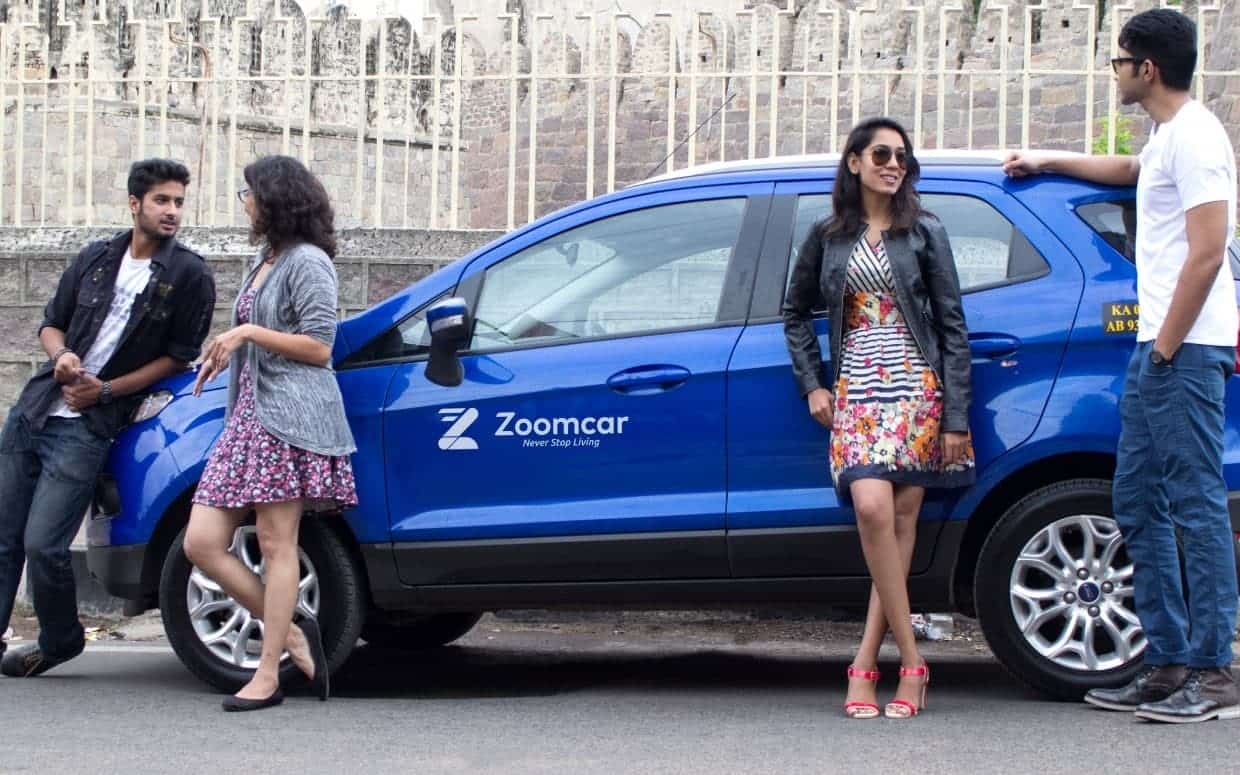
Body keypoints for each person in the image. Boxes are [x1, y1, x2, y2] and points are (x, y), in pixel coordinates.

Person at [1005, 8, 1239, 724]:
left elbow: (1209, 251)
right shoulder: (1169, 137)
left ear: (1148, 68)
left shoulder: (1199, 138)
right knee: (1138, 500)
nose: (1114, 72)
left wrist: (1165, 347)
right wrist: (1047, 160)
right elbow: (1132, 171)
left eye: (1119, 60)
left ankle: (1215, 670)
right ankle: (1166, 662)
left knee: (1196, 506)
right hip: (1160, 350)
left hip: (1184, 350)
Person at [783, 117, 975, 719]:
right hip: (858, 388)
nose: (895, 165)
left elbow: (952, 324)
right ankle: (912, 660)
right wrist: (813, 384)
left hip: (917, 386)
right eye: (882, 155)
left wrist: (956, 416)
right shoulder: (827, 235)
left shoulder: (925, 230)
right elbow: (793, 313)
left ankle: (868, 663)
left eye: (902, 157)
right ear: (854, 162)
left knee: (899, 521)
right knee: (872, 510)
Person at [0, 159, 216, 677]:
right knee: (3, 538)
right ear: (135, 203)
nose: (172, 211)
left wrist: (105, 391)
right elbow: (51, 324)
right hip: (35, 410)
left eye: (178, 202)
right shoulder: (95, 257)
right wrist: (61, 356)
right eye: (162, 200)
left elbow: (179, 359)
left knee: (43, 545)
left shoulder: (189, 274)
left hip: (87, 425)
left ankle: (60, 640)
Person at [180, 155, 357, 712]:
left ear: (275, 199)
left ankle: (266, 675)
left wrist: (248, 333)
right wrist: (227, 348)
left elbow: (320, 347)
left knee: (279, 544)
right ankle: (294, 635)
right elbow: (253, 336)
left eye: (249, 193)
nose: (245, 203)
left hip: (289, 417)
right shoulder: (265, 258)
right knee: (201, 542)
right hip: (249, 418)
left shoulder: (309, 262)